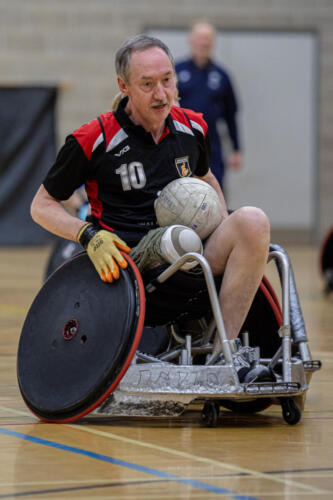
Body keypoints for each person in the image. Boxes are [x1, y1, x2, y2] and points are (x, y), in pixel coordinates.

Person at [31, 34, 270, 380]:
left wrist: (221, 220)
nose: (161, 94)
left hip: (192, 260)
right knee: (179, 239)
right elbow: (41, 205)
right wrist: (88, 235)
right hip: (131, 271)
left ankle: (224, 354)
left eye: (167, 81)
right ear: (124, 85)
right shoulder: (94, 138)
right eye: (147, 84)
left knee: (253, 221)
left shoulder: (193, 127)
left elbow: (207, 181)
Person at [175, 20, 242, 187]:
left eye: (208, 38)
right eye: (200, 38)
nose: (204, 43)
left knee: (213, 191)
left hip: (211, 145)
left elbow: (230, 115)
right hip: (181, 142)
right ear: (191, 40)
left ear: (213, 42)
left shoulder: (222, 75)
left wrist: (236, 149)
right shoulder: (176, 71)